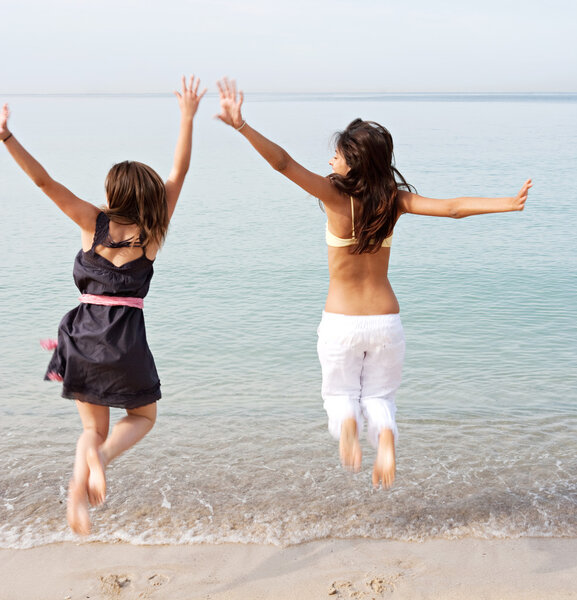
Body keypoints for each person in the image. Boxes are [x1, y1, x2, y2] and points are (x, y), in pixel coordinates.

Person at [216, 78, 531, 489]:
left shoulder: (333, 196)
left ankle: (347, 427)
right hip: (386, 322)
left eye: (339, 153)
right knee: (380, 399)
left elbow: (283, 164)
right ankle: (383, 438)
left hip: (342, 322)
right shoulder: (393, 200)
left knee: (339, 397)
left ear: (355, 163)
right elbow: (453, 209)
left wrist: (242, 127)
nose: (331, 159)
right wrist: (508, 202)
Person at [1, 76, 206, 534]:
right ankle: (102, 461)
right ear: (148, 198)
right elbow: (180, 172)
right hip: (126, 343)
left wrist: (7, 137)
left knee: (90, 429)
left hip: (81, 337)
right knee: (142, 416)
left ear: (113, 194)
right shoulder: (153, 231)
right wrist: (187, 116)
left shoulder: (90, 220)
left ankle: (79, 492)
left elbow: (43, 182)